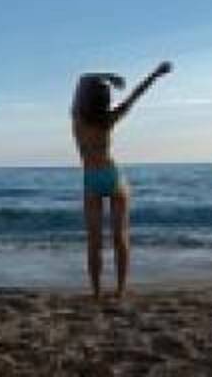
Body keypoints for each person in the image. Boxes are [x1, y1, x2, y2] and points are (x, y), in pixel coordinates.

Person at [71, 61, 173, 299]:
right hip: (112, 175)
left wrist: (107, 75)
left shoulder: (77, 119)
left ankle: (96, 292)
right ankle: (120, 290)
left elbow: (82, 78)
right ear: (106, 101)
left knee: (94, 241)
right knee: (120, 236)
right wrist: (155, 74)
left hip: (91, 179)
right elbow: (136, 94)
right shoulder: (109, 119)